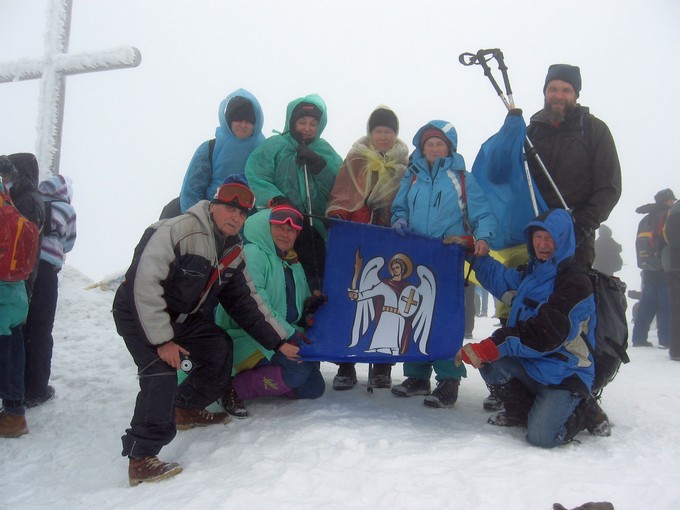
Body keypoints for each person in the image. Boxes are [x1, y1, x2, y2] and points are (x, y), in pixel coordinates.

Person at [112, 180, 298, 486]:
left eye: (242, 213)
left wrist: (280, 341)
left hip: (181, 318)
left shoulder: (233, 250)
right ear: (213, 206)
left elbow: (247, 302)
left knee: (217, 347)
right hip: (139, 313)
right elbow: (143, 285)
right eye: (229, 208)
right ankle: (141, 457)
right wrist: (162, 341)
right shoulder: (178, 231)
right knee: (160, 371)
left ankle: (185, 407)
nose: (235, 217)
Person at [456, 208, 609, 448]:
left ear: (563, 239)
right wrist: (470, 250)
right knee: (491, 365)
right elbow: (500, 279)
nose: (542, 244)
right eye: (537, 237)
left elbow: (546, 335)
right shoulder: (531, 273)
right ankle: (521, 411)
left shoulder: (576, 283)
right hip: (532, 366)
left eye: (549, 237)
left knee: (542, 437)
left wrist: (493, 345)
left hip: (564, 373)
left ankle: (583, 408)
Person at [389, 120, 497, 408]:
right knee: (411, 313)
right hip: (415, 256)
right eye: (429, 144)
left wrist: (483, 236)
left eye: (440, 143)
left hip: (448, 258)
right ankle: (417, 376)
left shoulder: (462, 178)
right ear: (421, 148)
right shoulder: (411, 176)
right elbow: (399, 206)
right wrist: (398, 219)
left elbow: (482, 213)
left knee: (445, 320)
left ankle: (449, 381)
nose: (434, 148)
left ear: (450, 148)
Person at [326, 105, 409, 390]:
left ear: (395, 134)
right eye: (378, 131)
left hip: (389, 238)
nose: (383, 136)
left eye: (388, 131)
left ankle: (383, 366)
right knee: (351, 298)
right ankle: (345, 363)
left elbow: (407, 199)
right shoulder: (355, 159)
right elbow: (341, 194)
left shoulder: (404, 166)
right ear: (370, 133)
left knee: (387, 301)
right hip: (356, 238)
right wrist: (339, 215)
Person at [215, 202, 325, 412]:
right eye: (279, 227)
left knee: (314, 387)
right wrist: (291, 335)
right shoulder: (253, 253)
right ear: (267, 227)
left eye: (291, 229)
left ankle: (269, 378)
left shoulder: (292, 262)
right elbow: (256, 303)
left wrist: (310, 307)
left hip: (279, 335)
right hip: (248, 337)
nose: (286, 234)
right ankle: (230, 387)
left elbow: (295, 306)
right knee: (298, 371)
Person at [526, 64, 621, 268]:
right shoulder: (530, 133)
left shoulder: (593, 130)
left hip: (577, 235)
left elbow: (609, 187)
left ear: (576, 95)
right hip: (535, 232)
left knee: (572, 295)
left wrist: (582, 226)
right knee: (533, 296)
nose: (558, 96)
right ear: (545, 93)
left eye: (566, 90)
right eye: (552, 89)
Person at [245, 94, 343, 292]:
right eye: (302, 122)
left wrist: (319, 164)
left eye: (313, 123)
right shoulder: (275, 146)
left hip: (317, 229)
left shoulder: (326, 151)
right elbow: (256, 175)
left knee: (320, 275)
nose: (307, 128)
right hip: (283, 225)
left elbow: (339, 185)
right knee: (287, 273)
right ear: (292, 121)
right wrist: (278, 199)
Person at [0, 154, 45, 439]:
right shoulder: (12, 204)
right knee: (12, 346)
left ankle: (15, 415)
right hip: (16, 287)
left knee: (8, 349)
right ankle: (14, 414)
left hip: (5, 289)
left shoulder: (18, 201)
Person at [23, 174, 77, 408]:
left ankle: (15, 382)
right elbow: (69, 243)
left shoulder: (30, 201)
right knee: (41, 329)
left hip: (24, 269)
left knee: (20, 327)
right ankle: (37, 389)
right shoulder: (66, 209)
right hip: (45, 270)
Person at [177, 89, 265, 214]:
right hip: (210, 221)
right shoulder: (210, 148)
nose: (243, 125)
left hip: (248, 224)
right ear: (229, 121)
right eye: (238, 119)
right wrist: (197, 222)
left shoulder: (264, 151)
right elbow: (192, 191)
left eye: (248, 121)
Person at [631, 189, 675, 348]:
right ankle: (666, 339)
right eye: (671, 200)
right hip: (664, 267)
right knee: (666, 304)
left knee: (646, 304)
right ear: (667, 201)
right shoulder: (667, 216)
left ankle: (639, 338)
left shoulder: (646, 218)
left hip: (647, 267)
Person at [663, 197, 680, 360]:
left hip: (674, 266)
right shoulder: (676, 212)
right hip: (676, 267)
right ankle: (676, 350)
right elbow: (673, 238)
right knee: (677, 310)